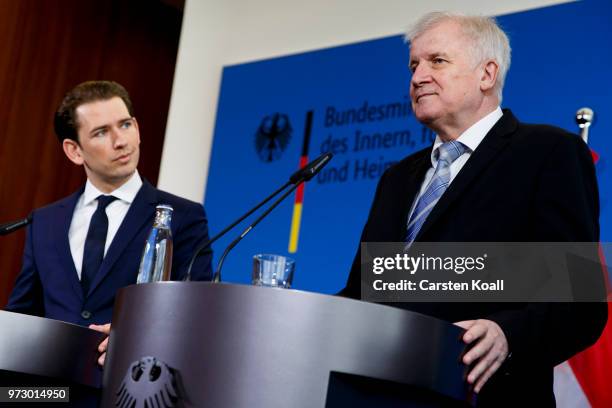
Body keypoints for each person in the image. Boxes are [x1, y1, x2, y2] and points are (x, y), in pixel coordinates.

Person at [340, 12, 607, 406]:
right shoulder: (397, 179)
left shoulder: (549, 154)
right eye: (413, 65)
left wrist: (506, 334)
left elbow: (580, 303)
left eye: (437, 61)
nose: (417, 77)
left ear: (487, 74)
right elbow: (366, 292)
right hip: (379, 392)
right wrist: (293, 314)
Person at [6, 81, 213, 364]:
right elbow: (21, 314)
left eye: (125, 125)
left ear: (137, 129)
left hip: (129, 387)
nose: (121, 141)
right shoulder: (44, 221)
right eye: (102, 132)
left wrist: (134, 335)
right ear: (74, 151)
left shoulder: (184, 217)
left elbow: (196, 314)